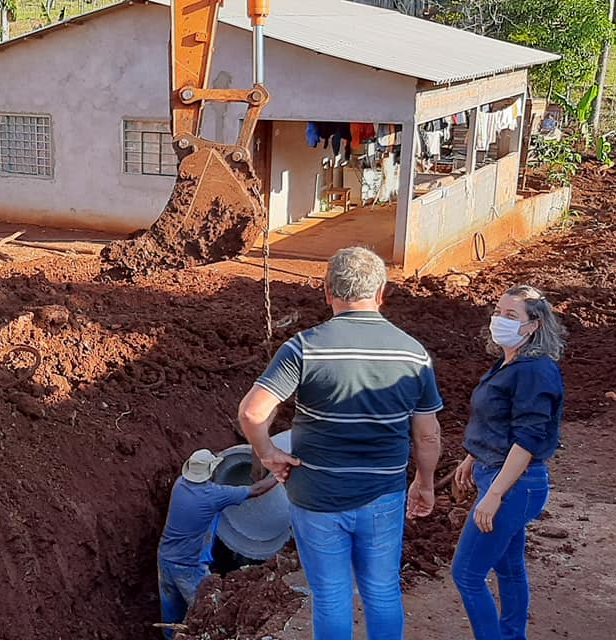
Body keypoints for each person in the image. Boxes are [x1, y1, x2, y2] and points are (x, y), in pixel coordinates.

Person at [237, 246, 443, 640]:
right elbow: (428, 433)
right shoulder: (413, 355)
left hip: (317, 495)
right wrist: (425, 482)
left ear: (327, 291)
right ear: (381, 292)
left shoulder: (303, 347)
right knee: (382, 591)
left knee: (331, 596)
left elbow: (252, 412)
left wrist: (268, 453)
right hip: (382, 495)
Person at [451, 285, 565, 640]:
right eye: (498, 312)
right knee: (509, 567)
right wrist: (473, 456)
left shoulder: (535, 371)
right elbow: (498, 420)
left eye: (511, 316)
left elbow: (528, 440)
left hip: (516, 484)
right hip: (499, 474)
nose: (498, 320)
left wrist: (495, 493)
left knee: (467, 574)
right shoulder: (508, 362)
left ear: (533, 326)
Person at [158, 448, 278, 639]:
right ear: (210, 472)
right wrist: (279, 475)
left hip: (165, 557)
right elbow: (257, 489)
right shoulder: (212, 495)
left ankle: (170, 637)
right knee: (206, 613)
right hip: (189, 566)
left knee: (172, 611)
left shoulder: (180, 484)